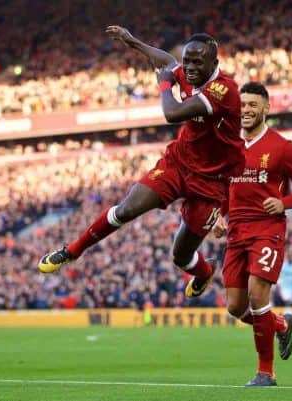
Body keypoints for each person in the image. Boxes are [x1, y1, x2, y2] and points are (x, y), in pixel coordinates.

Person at [39, 26, 244, 299]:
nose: (190, 68)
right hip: (178, 165)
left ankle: (204, 272)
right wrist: (132, 41)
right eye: (187, 61)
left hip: (213, 183)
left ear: (214, 64)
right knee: (126, 209)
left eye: (198, 62)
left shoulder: (223, 90)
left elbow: (172, 113)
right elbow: (166, 62)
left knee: (181, 256)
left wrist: (164, 84)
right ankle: (73, 250)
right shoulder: (183, 71)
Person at [212, 82, 292, 386]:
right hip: (236, 233)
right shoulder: (229, 145)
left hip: (267, 231)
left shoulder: (282, 147)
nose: (245, 110)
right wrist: (220, 215)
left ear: (266, 108)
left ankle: (265, 372)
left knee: (258, 293)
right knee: (235, 306)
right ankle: (282, 325)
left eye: (252, 105)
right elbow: (224, 188)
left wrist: (284, 202)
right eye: (242, 105)